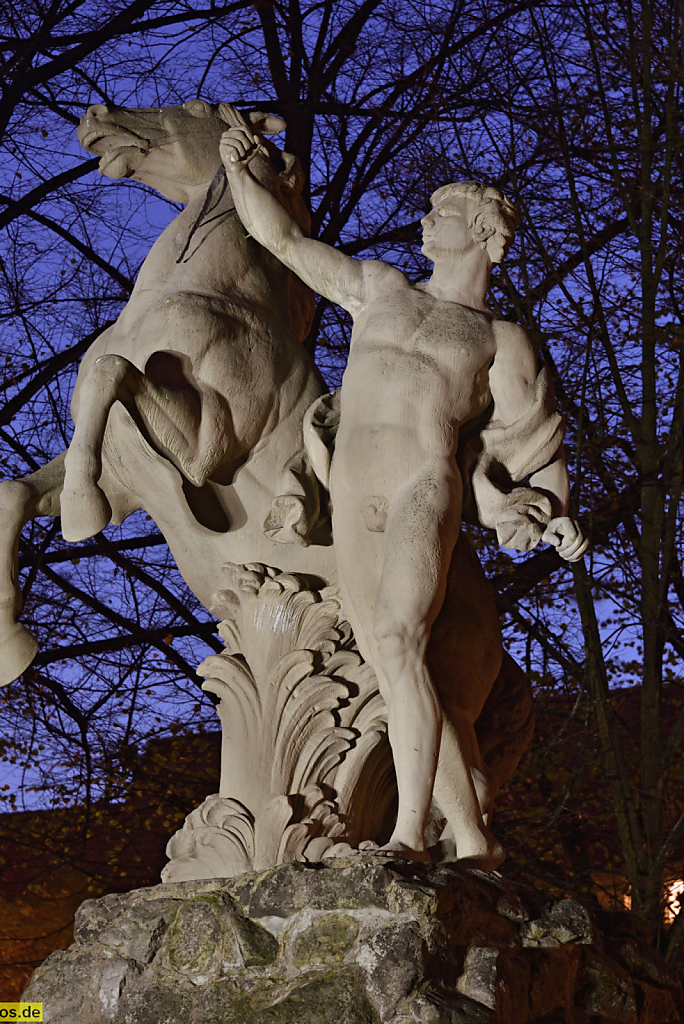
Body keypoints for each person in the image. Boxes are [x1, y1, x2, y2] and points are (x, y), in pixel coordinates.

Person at [220, 127, 587, 866]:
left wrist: (553, 512)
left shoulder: (501, 341)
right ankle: (472, 833)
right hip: (353, 495)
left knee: (398, 640)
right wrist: (239, 174)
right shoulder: (380, 288)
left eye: (439, 211)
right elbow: (284, 242)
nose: (423, 220)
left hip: (426, 488)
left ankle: (408, 834)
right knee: (393, 672)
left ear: (484, 232)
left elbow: (537, 442)